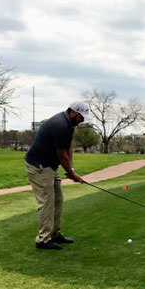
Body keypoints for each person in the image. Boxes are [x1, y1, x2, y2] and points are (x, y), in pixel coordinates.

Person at [25, 101, 89, 250]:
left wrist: (70, 169)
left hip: (50, 165)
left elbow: (68, 148)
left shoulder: (69, 124)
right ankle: (43, 240)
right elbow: (61, 155)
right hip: (39, 166)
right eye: (81, 117)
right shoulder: (60, 125)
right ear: (74, 112)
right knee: (47, 202)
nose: (83, 120)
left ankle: (54, 234)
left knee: (58, 199)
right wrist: (72, 174)